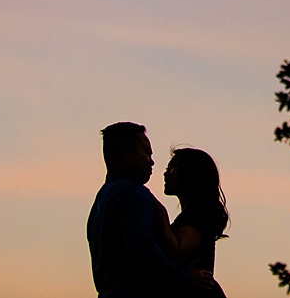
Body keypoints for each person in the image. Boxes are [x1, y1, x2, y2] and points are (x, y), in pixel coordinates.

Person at [87, 122, 212, 298]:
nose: (152, 161)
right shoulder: (134, 194)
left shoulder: (101, 200)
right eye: (147, 153)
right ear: (125, 153)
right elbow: (143, 250)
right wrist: (185, 276)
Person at [156, 148, 229, 292]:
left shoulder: (198, 216)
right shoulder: (195, 215)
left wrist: (160, 213)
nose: (166, 173)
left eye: (172, 168)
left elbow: (177, 252)